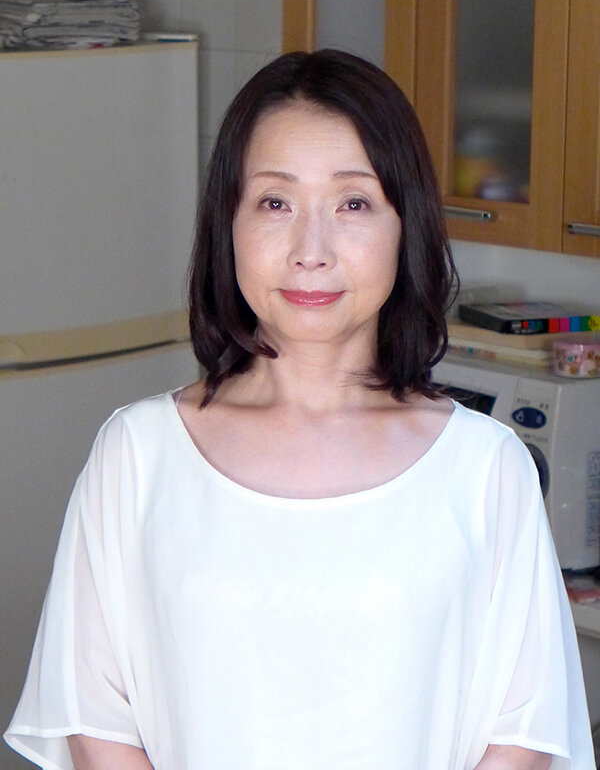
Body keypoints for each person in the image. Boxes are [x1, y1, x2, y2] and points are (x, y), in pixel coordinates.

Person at [4, 50, 594, 770]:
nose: (310, 251)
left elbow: (527, 727)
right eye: (275, 203)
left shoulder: (485, 467)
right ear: (228, 223)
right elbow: (93, 714)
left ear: (405, 224)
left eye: (353, 204)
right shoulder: (137, 453)